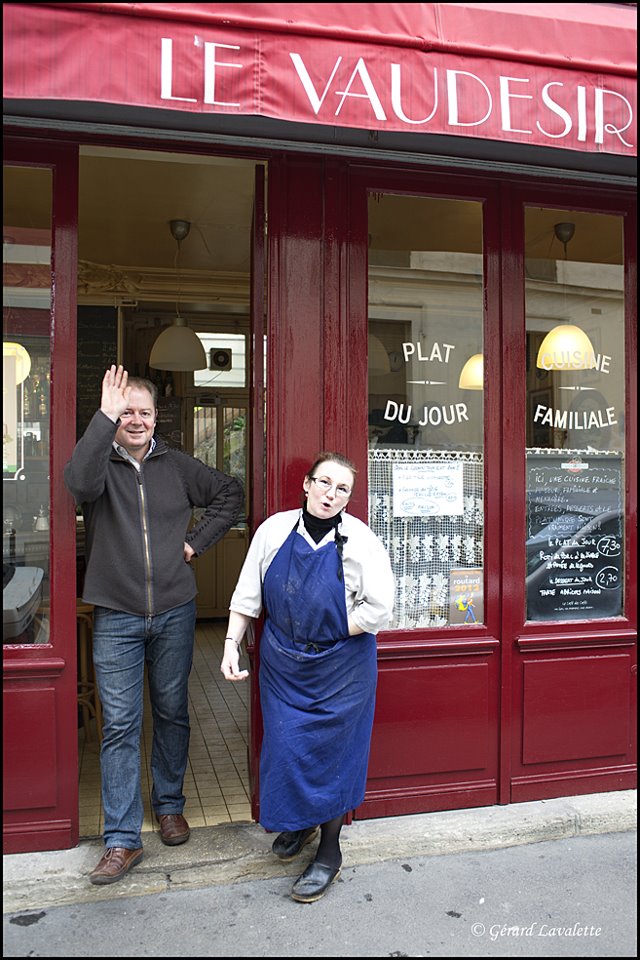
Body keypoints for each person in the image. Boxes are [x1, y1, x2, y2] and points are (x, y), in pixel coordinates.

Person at [64, 365, 243, 885]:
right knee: (120, 725)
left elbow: (229, 493)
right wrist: (102, 415)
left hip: (173, 609)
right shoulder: (98, 464)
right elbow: (76, 483)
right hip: (116, 613)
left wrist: (195, 542)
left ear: (156, 416)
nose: (136, 420)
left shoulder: (177, 465)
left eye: (144, 412)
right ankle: (121, 839)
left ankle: (169, 806)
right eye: (126, 413)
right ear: (114, 417)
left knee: (171, 711)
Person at [221, 452, 394, 903]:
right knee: (287, 747)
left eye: (342, 490)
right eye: (324, 483)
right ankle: (299, 824)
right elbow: (247, 594)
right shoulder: (273, 531)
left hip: (343, 668)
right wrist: (230, 644)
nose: (330, 495)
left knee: (336, 757)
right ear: (306, 483)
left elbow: (379, 607)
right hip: (283, 666)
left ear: (349, 498)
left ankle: (329, 852)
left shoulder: (361, 540)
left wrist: (336, 630)